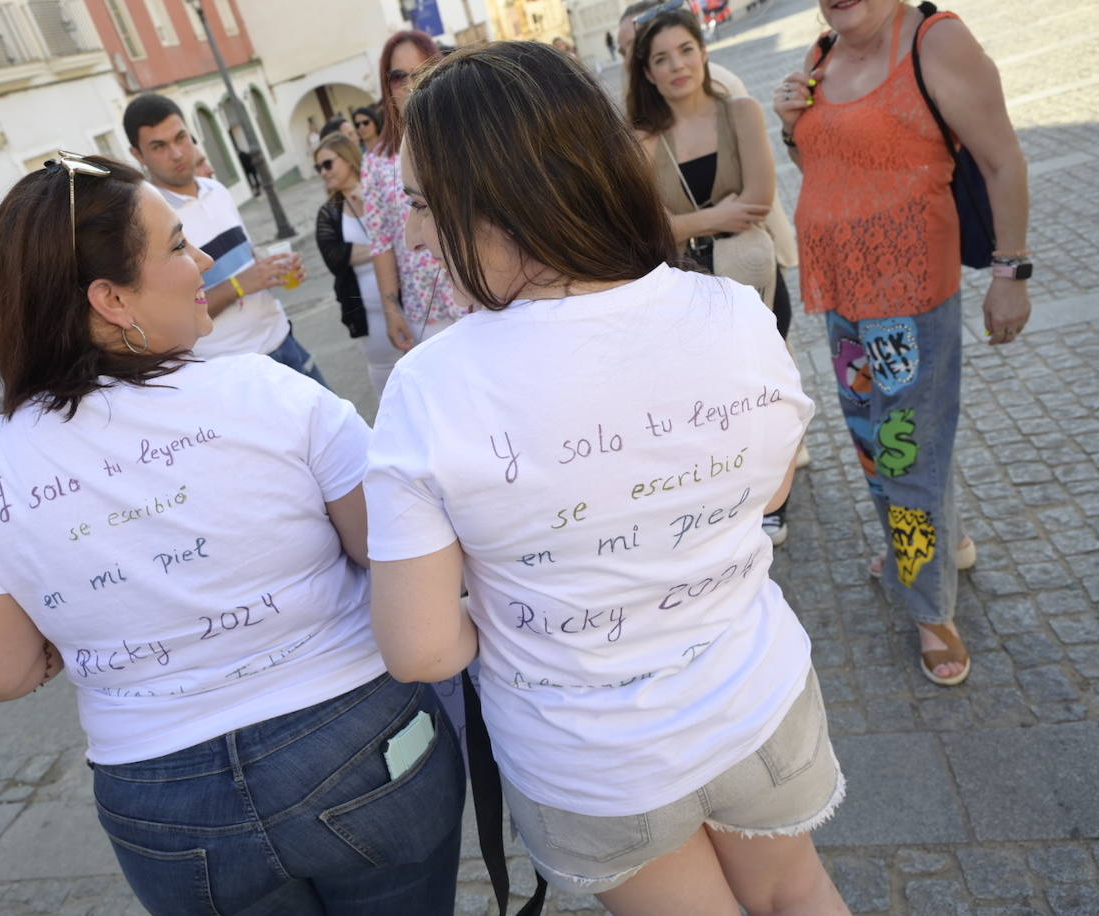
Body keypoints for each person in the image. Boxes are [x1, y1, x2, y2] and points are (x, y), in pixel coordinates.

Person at [366, 42, 847, 915]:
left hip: (593, 758)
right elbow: (769, 494)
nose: (416, 236)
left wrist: (537, 610)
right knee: (798, 895)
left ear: (498, 205)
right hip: (755, 696)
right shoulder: (731, 313)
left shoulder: (430, 389)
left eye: (425, 206)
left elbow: (423, 648)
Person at [0, 153, 466, 916]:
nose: (206, 260)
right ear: (112, 298)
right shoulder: (269, 392)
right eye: (179, 245)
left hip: (161, 801)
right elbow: (399, 549)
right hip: (358, 748)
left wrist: (61, 642)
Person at [776, 0, 1030, 686]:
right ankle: (936, 545)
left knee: (904, 449)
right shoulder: (822, 54)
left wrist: (1010, 275)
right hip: (843, 301)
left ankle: (928, 605)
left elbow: (1002, 160)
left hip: (910, 301)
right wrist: (791, 125)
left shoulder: (936, 42)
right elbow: (825, 165)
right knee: (876, 440)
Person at [627, 6, 804, 547]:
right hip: (686, 289)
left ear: (703, 53)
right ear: (648, 73)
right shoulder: (644, 138)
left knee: (767, 397)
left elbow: (759, 199)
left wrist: (687, 224)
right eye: (661, 58)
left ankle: (777, 499)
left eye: (685, 50)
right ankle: (732, 499)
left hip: (753, 278)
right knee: (712, 406)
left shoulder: (741, 112)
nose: (677, 65)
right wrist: (716, 216)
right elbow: (645, 226)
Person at [123, 94, 326, 386]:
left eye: (181, 138)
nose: (178, 153)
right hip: (231, 370)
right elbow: (173, 318)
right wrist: (239, 285)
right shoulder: (148, 223)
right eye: (159, 146)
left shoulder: (216, 190)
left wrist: (273, 269)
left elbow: (245, 260)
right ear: (138, 155)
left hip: (283, 339)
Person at [363, 31, 468, 352]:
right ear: (386, 85)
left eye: (421, 72)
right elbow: (381, 241)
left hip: (481, 290)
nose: (409, 84)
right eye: (398, 76)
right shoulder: (377, 160)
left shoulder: (466, 140)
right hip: (426, 306)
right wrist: (392, 309)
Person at [314, 134, 401, 396]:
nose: (323, 173)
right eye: (318, 168)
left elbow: (404, 235)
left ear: (348, 158)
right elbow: (335, 257)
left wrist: (371, 205)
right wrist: (385, 247)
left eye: (328, 164)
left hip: (407, 304)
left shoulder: (377, 191)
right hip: (366, 316)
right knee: (384, 380)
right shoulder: (329, 212)